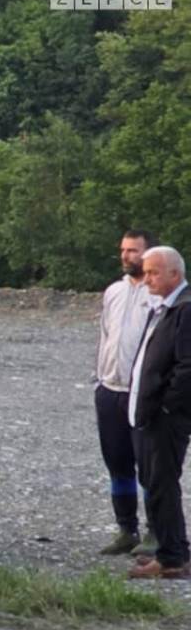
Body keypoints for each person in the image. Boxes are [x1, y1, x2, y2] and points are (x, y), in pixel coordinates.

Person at [94, 229, 159, 555]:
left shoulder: (158, 294)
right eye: (123, 250)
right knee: (117, 462)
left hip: (142, 394)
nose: (126, 256)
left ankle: (155, 531)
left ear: (148, 254)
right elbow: (105, 336)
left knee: (149, 465)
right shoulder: (113, 292)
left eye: (133, 251)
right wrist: (99, 378)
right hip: (110, 390)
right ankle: (126, 530)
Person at [128, 245, 191, 579]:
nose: (146, 277)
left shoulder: (184, 309)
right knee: (155, 483)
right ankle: (176, 550)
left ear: (174, 275)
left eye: (153, 272)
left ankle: (170, 558)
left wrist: (167, 405)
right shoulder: (165, 307)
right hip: (151, 414)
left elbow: (187, 367)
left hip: (166, 417)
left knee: (163, 484)